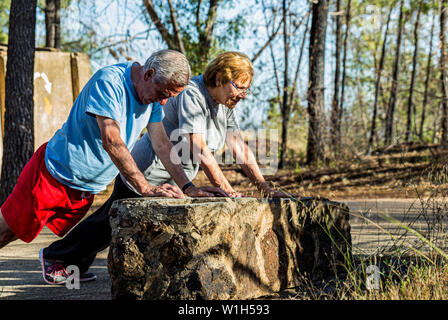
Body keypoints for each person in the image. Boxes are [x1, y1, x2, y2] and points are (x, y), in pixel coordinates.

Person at [39, 51, 293, 285]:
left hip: (174, 180)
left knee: (111, 225)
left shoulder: (223, 105)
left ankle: (74, 263)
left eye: (247, 90)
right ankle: (55, 256)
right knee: (107, 224)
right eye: (239, 87)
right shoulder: (192, 93)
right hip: (146, 172)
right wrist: (225, 188)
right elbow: (198, 146)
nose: (243, 95)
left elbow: (239, 146)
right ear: (219, 78)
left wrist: (265, 187)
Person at [0, 49, 224, 259]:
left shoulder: (153, 99)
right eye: (163, 93)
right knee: (7, 232)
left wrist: (189, 187)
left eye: (169, 97)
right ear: (149, 73)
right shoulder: (110, 82)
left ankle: (65, 265)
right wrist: (144, 187)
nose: (164, 102)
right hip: (54, 175)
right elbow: (112, 139)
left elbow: (162, 144)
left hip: (84, 187)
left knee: (26, 233)